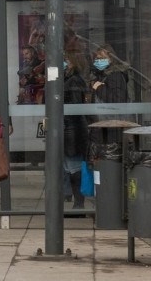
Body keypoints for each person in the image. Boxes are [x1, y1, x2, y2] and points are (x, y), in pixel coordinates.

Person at [64, 51, 90, 210]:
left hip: (72, 128)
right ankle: (76, 201)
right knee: (69, 167)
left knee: (74, 167)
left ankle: (78, 203)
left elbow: (75, 107)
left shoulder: (74, 81)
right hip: (69, 127)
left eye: (66, 60)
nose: (64, 63)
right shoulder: (69, 79)